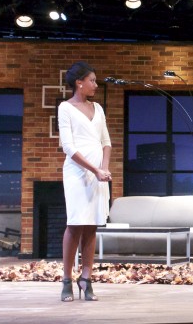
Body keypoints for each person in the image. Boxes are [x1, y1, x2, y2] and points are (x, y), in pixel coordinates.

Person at [58, 61, 112, 302]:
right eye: (92, 80)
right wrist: (94, 169)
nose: (95, 85)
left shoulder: (98, 108)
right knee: (75, 223)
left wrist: (104, 168)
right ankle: (67, 280)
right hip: (77, 173)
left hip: (98, 174)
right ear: (79, 83)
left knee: (92, 225)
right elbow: (68, 147)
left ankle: (86, 278)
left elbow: (106, 141)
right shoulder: (65, 108)